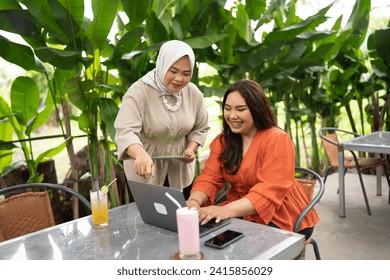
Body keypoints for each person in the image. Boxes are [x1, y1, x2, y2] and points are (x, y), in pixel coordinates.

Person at [186, 79, 319, 239]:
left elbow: (268, 191)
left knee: (242, 244)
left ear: (257, 110)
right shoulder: (224, 141)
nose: (232, 115)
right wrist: (194, 200)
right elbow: (209, 177)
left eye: (240, 109)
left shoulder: (276, 139)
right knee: (203, 233)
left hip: (283, 215)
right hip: (238, 209)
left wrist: (224, 210)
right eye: (227, 109)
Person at [115, 40, 209, 199]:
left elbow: (201, 127)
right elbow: (126, 131)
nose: (179, 79)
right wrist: (139, 154)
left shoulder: (192, 93)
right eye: (173, 71)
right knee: (150, 221)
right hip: (146, 175)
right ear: (162, 65)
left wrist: (190, 149)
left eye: (186, 74)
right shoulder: (138, 92)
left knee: (181, 218)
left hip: (180, 173)